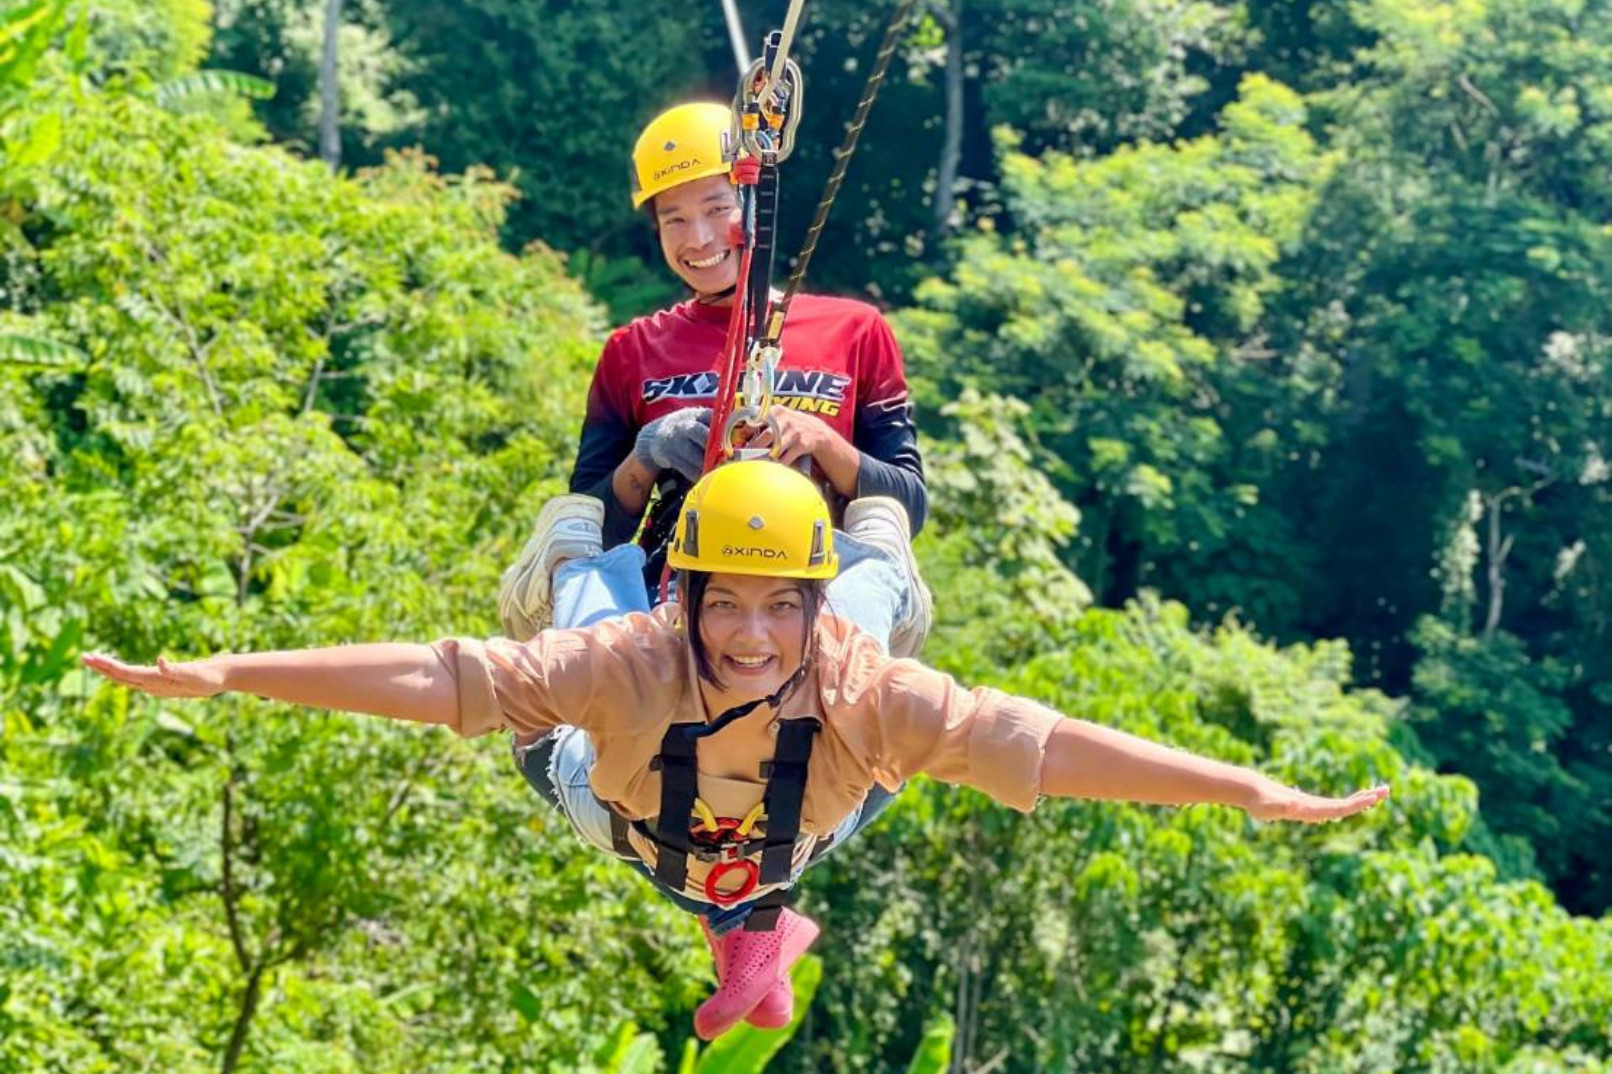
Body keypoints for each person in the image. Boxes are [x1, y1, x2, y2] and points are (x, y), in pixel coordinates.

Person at [84, 460, 1390, 1041]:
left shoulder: (859, 682)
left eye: (780, 607)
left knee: (882, 615)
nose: (752, 635)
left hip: (800, 828)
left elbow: (1042, 747)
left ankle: (874, 549)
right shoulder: (630, 657)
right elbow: (446, 679)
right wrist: (231, 672)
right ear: (688, 597)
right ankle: (577, 538)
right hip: (621, 812)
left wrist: (1243, 789)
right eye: (726, 604)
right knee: (573, 595)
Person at [497, 101, 929, 649]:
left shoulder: (856, 331)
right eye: (673, 220)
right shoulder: (632, 350)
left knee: (876, 552)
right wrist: (648, 454)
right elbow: (591, 530)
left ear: (754, 207)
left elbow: (908, 504)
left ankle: (852, 678)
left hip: (817, 588)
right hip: (677, 590)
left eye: (716, 207)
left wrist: (821, 442)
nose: (698, 238)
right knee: (573, 551)